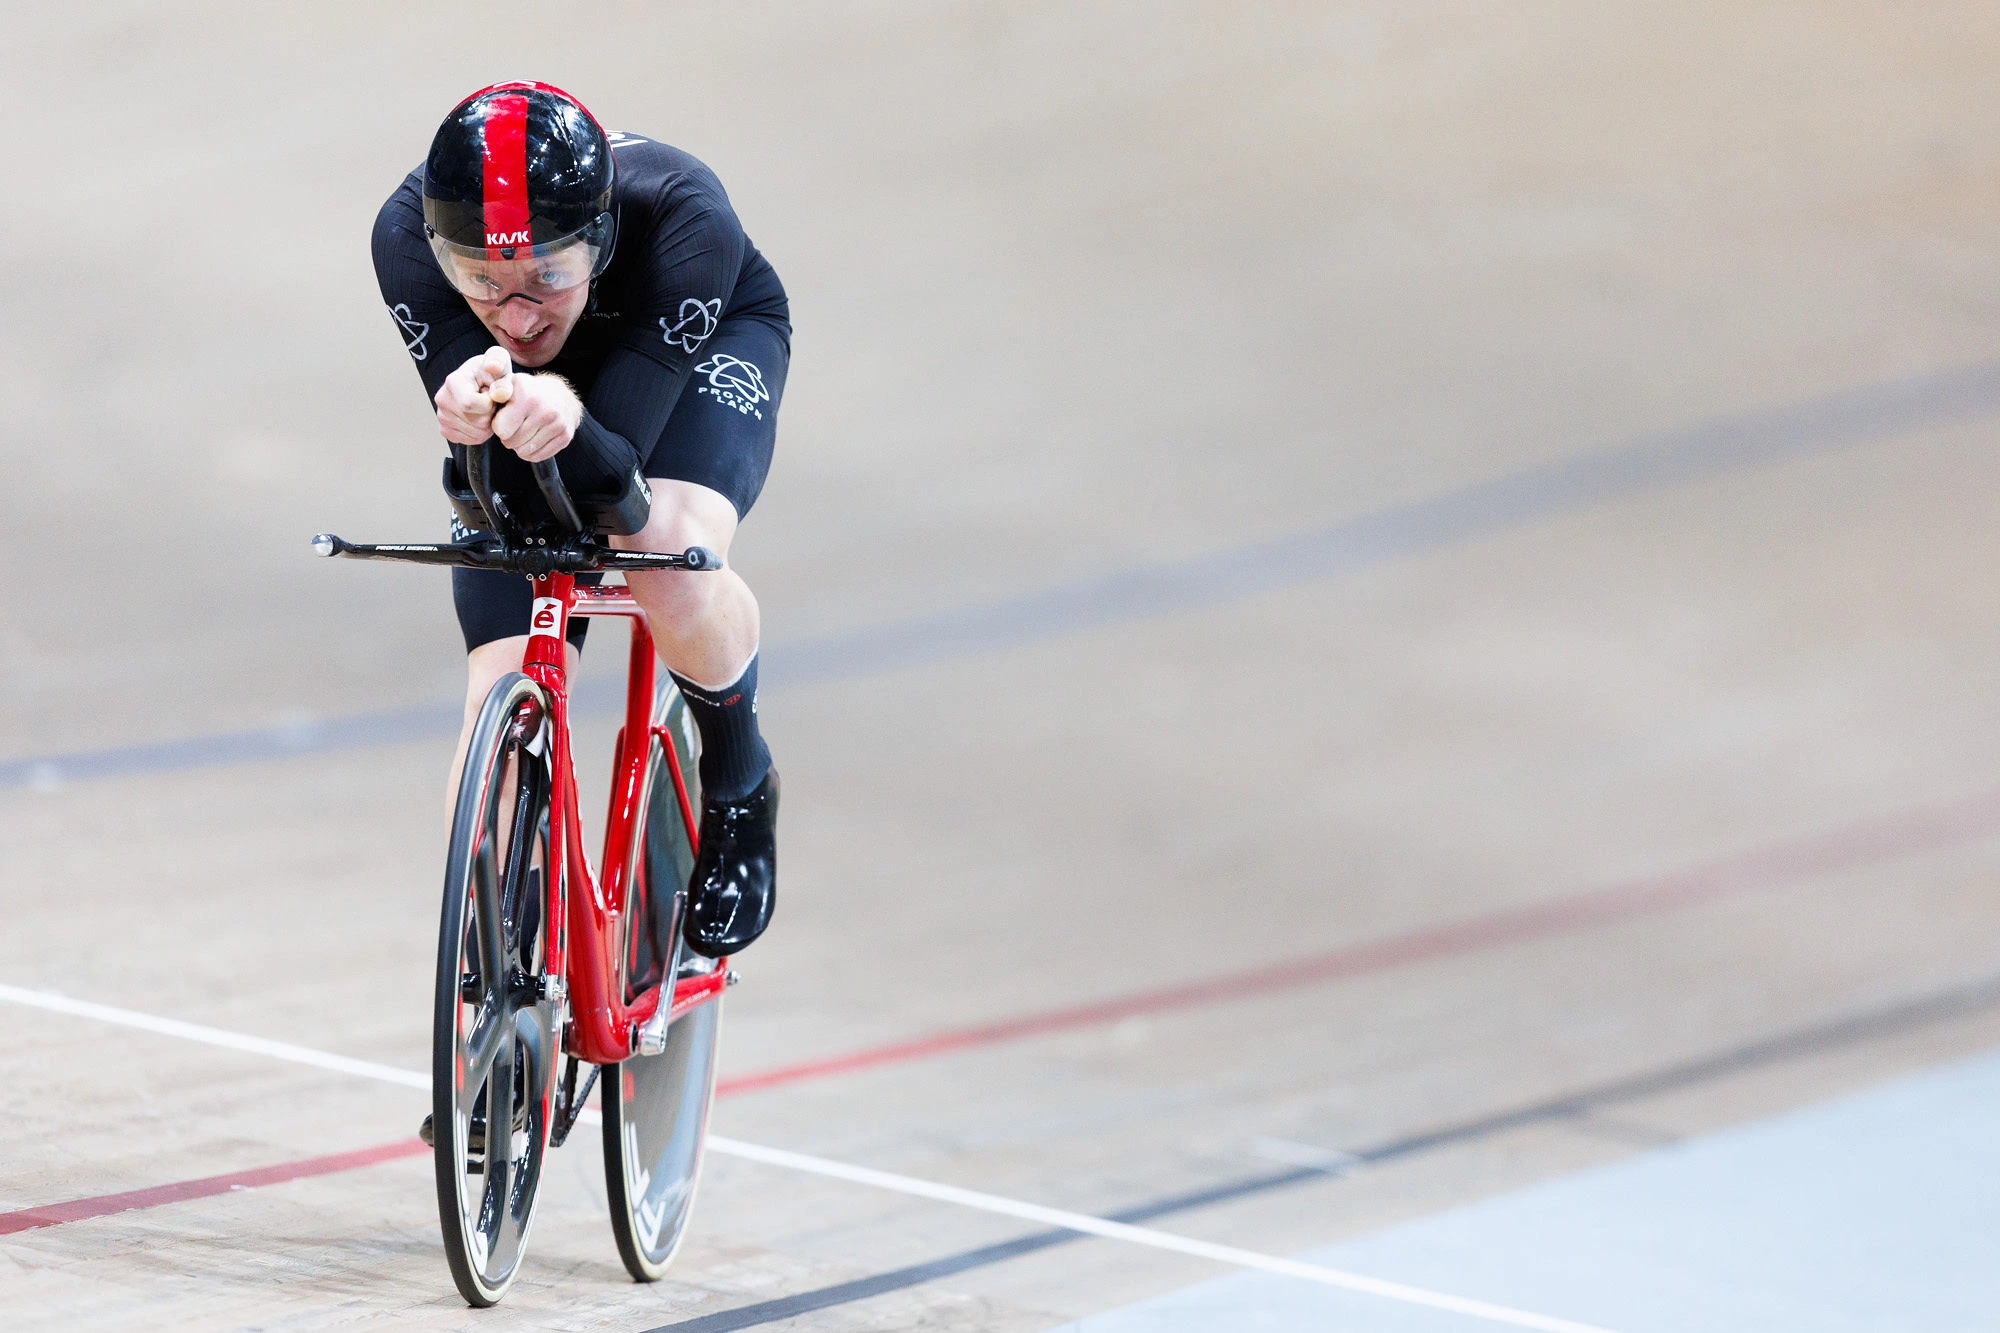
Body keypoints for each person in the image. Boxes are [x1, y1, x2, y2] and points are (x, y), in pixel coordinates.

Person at [372, 81, 787, 958]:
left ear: (599, 237)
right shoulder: (407, 238)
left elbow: (611, 484)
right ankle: (491, 985)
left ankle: (741, 775)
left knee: (662, 548)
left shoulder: (685, 219)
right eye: (481, 280)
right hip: (558, 398)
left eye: (546, 274)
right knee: (497, 685)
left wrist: (553, 407)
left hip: (690, 340)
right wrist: (469, 420)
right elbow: (491, 487)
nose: (517, 313)